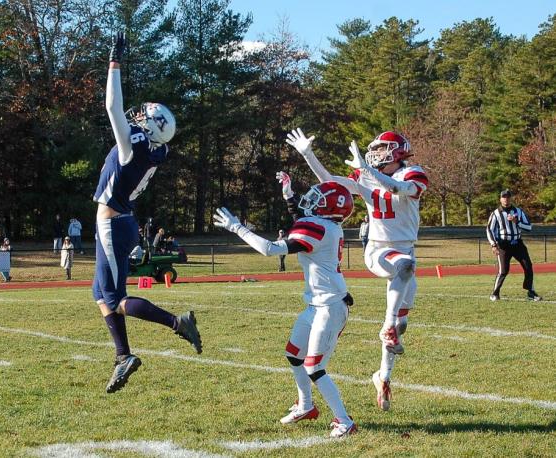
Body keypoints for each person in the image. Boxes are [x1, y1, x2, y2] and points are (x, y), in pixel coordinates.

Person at [287, 128, 428, 412]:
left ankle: (383, 375)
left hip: (404, 247)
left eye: (381, 148)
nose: (375, 154)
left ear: (397, 150)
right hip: (379, 249)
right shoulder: (366, 174)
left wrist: (367, 171)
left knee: (402, 324)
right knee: (404, 268)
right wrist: (308, 155)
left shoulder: (412, 172)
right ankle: (387, 327)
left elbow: (398, 189)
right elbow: (330, 183)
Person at [92, 31, 201, 394]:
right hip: (118, 222)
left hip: (113, 224)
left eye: (146, 116)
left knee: (115, 298)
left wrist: (114, 62)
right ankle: (122, 355)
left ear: (153, 126)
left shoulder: (134, 147)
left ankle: (176, 322)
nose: (139, 116)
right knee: (100, 295)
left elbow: (111, 107)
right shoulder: (156, 150)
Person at [214, 178, 358, 438]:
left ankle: (345, 421)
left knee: (314, 367)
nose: (311, 201)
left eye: (318, 200)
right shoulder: (324, 225)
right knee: (294, 354)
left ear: (329, 210)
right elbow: (301, 218)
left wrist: (238, 228)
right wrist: (289, 196)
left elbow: (270, 249)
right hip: (316, 305)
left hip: (330, 307)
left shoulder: (320, 228)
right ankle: (305, 406)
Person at [486, 189, 542, 302]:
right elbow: (489, 229)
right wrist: (493, 244)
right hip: (504, 245)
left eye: (508, 197)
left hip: (517, 244)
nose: (506, 199)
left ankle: (531, 292)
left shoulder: (518, 211)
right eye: (504, 197)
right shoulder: (496, 213)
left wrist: (517, 222)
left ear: (511, 198)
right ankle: (495, 293)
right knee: (503, 270)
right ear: (500, 199)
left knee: (528, 267)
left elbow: (529, 227)